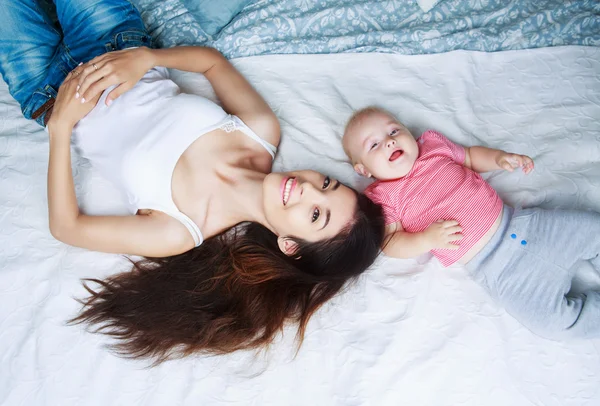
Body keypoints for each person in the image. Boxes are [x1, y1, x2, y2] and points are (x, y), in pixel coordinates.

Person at [0, 0, 386, 363]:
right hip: (112, 41)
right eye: (327, 185)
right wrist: (148, 58)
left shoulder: (179, 231)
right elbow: (212, 65)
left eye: (316, 215)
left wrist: (61, 126)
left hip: (47, 89)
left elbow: (68, 228)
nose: (307, 190)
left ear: (289, 245)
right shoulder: (261, 133)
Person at [342, 106, 600, 339]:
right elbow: (391, 242)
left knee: (593, 230)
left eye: (394, 130)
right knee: (552, 324)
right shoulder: (382, 198)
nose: (389, 142)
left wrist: (498, 158)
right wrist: (426, 239)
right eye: (374, 145)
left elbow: (470, 157)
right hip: (498, 270)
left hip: (526, 226)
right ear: (363, 170)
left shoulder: (432, 147)